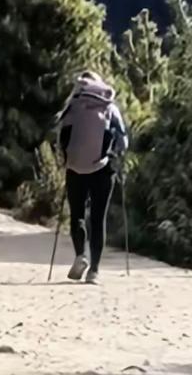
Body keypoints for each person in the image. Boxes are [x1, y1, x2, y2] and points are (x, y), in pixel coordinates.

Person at [56, 70, 128, 284]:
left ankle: (81, 256)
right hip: (103, 170)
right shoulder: (109, 107)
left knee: (77, 215)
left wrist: (66, 159)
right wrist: (115, 155)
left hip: (75, 168)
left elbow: (61, 138)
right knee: (98, 218)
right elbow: (123, 142)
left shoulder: (73, 106)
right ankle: (94, 271)